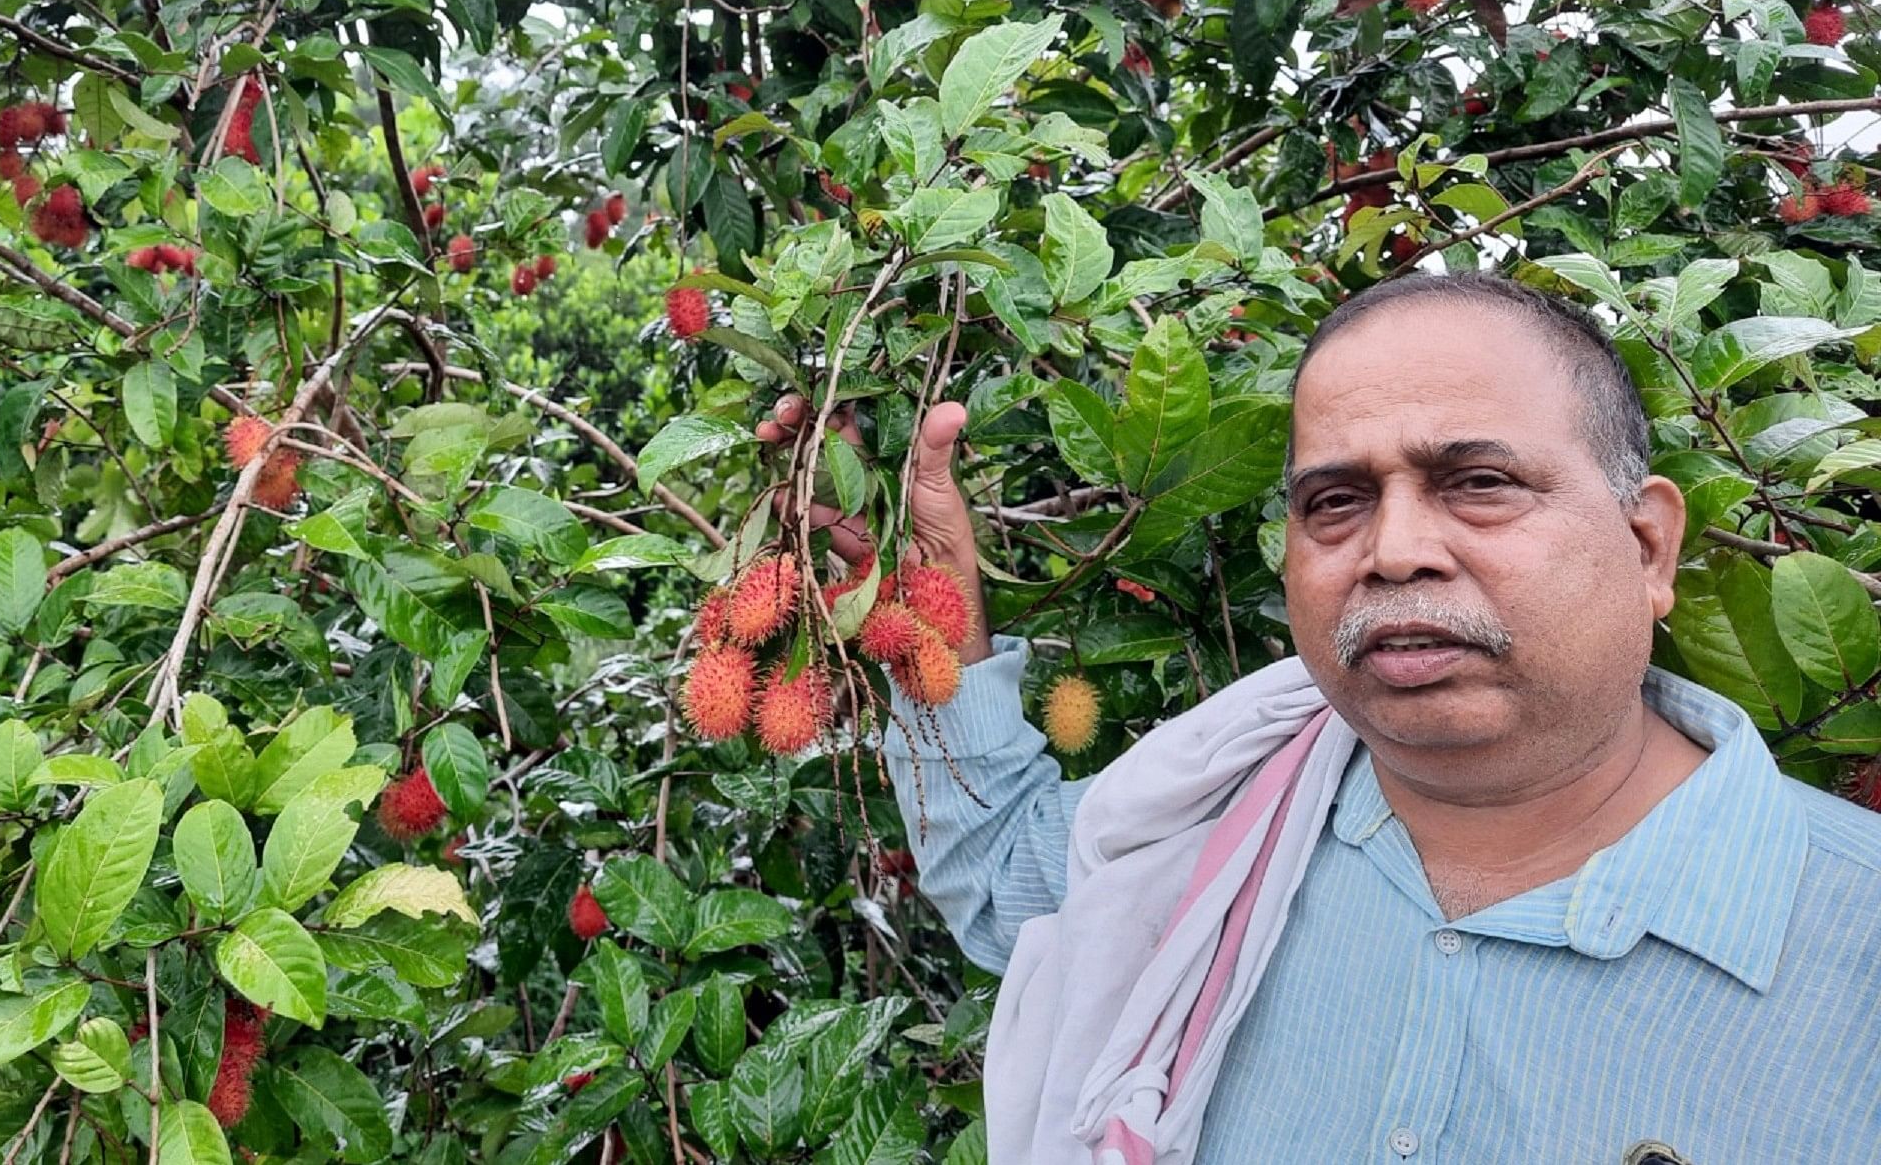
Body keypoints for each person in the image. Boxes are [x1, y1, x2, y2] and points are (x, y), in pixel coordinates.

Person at [759, 273, 1881, 1164]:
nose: (1395, 552)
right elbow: (1010, 880)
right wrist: (934, 644)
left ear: (1648, 548)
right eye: (1335, 502)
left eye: (1478, 481)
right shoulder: (1217, 827)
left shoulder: (1857, 944)